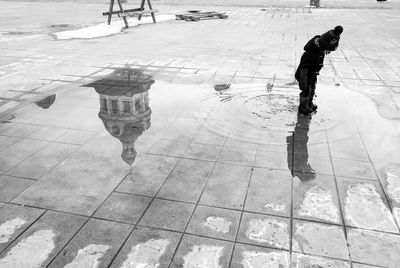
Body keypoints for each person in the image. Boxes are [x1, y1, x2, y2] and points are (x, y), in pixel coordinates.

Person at [295, 25, 343, 114]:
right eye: (327, 50)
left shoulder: (319, 51)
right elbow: (303, 68)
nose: (327, 52)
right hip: (305, 76)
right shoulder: (311, 54)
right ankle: (303, 106)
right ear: (323, 45)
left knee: (312, 88)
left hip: (312, 74)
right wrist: (303, 82)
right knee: (306, 90)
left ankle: (309, 103)